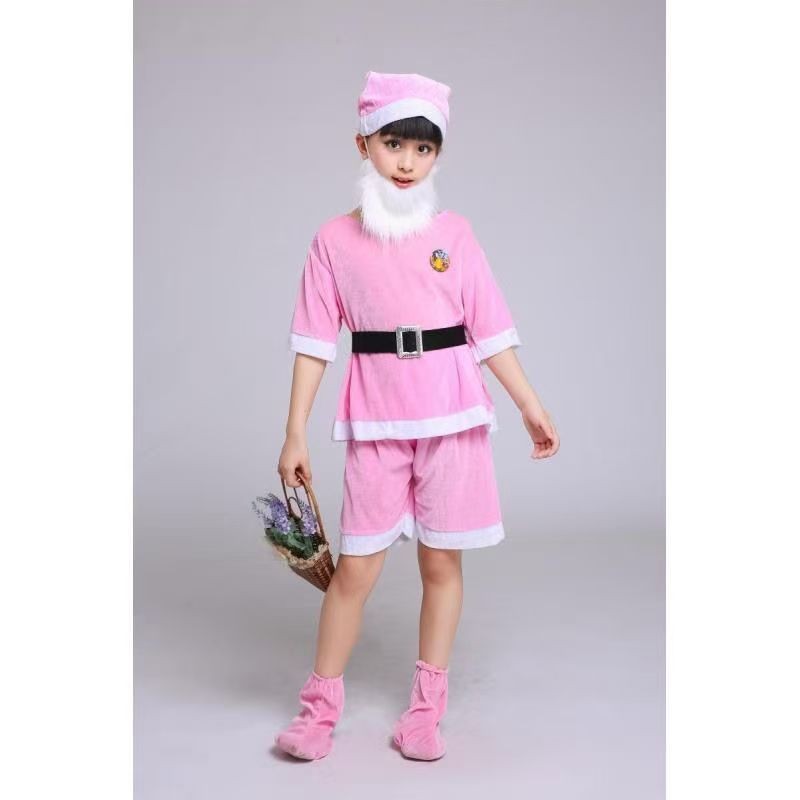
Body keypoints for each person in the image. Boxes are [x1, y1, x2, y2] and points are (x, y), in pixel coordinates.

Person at [274, 71, 560, 761]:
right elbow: (314, 342)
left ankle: (425, 714)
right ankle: (318, 712)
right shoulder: (333, 241)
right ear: (363, 144)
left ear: (438, 155)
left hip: (452, 418)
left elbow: (489, 328)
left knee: (441, 563)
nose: (407, 162)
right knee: (355, 573)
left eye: (423, 149)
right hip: (376, 423)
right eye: (393, 144)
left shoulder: (454, 234)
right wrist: (294, 433)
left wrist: (529, 405)